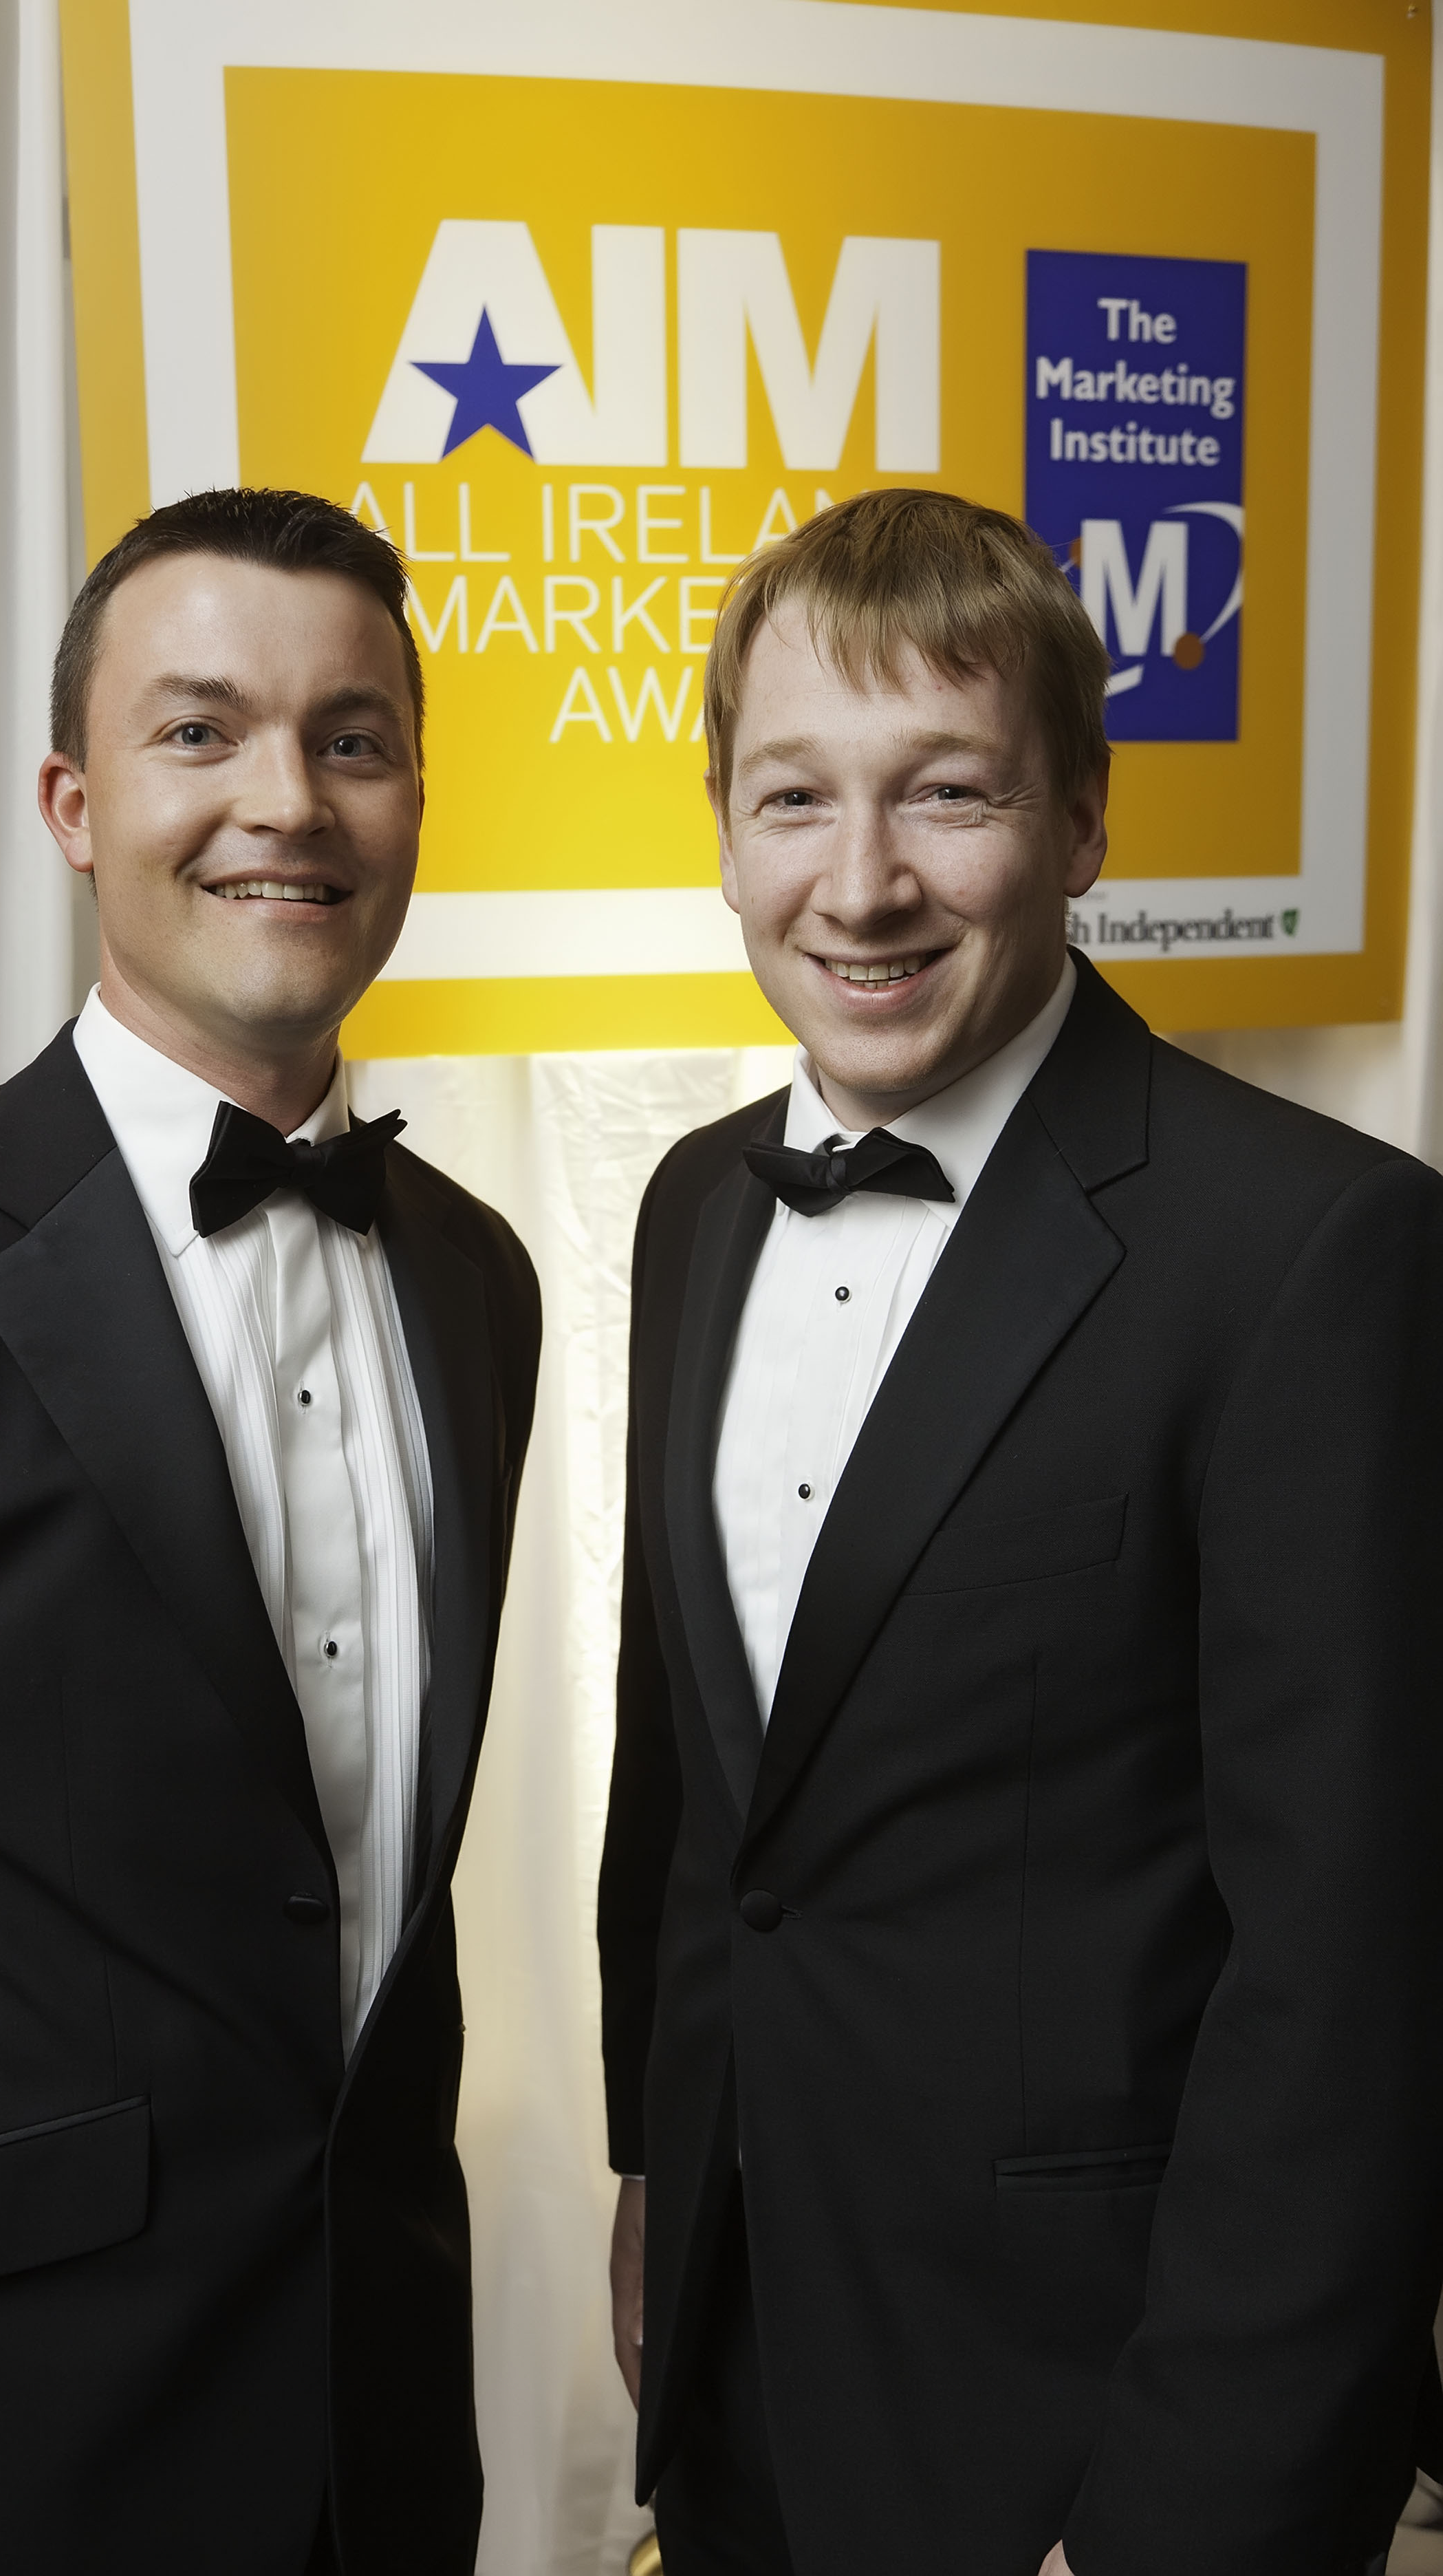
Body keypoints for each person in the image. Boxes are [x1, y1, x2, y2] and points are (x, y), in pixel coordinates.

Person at [597, 486, 1443, 2576]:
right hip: (735, 2364)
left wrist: (1188, 2520)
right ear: (724, 833)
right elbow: (688, 1784)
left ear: (1081, 822)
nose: (861, 882)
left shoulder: (1316, 1251)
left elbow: (1357, 1988)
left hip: (1082, 2428)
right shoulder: (693, 1203)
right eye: (796, 796)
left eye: (948, 792)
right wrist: (654, 2173)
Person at [0, 487, 540, 2575]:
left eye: (353, 740)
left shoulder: (481, 1280)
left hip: (371, 2434)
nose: (288, 801)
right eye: (201, 732)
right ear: (74, 807)